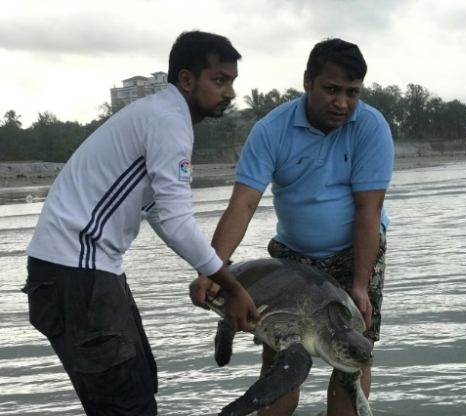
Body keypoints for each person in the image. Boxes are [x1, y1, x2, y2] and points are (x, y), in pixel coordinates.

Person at [22, 30, 261, 416]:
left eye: (232, 82)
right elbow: (179, 222)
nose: (230, 93)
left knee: (137, 386)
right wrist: (232, 288)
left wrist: (214, 272)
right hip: (78, 272)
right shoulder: (169, 122)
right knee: (127, 404)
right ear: (186, 79)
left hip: (76, 271)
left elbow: (159, 214)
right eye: (219, 80)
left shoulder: (160, 115)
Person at [190, 38, 394, 416]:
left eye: (352, 92)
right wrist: (212, 268)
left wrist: (360, 287)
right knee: (282, 356)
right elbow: (244, 203)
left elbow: (369, 210)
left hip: (356, 252)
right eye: (331, 89)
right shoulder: (271, 130)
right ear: (307, 81)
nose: (342, 103)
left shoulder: (370, 127)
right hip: (293, 258)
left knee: (354, 354)